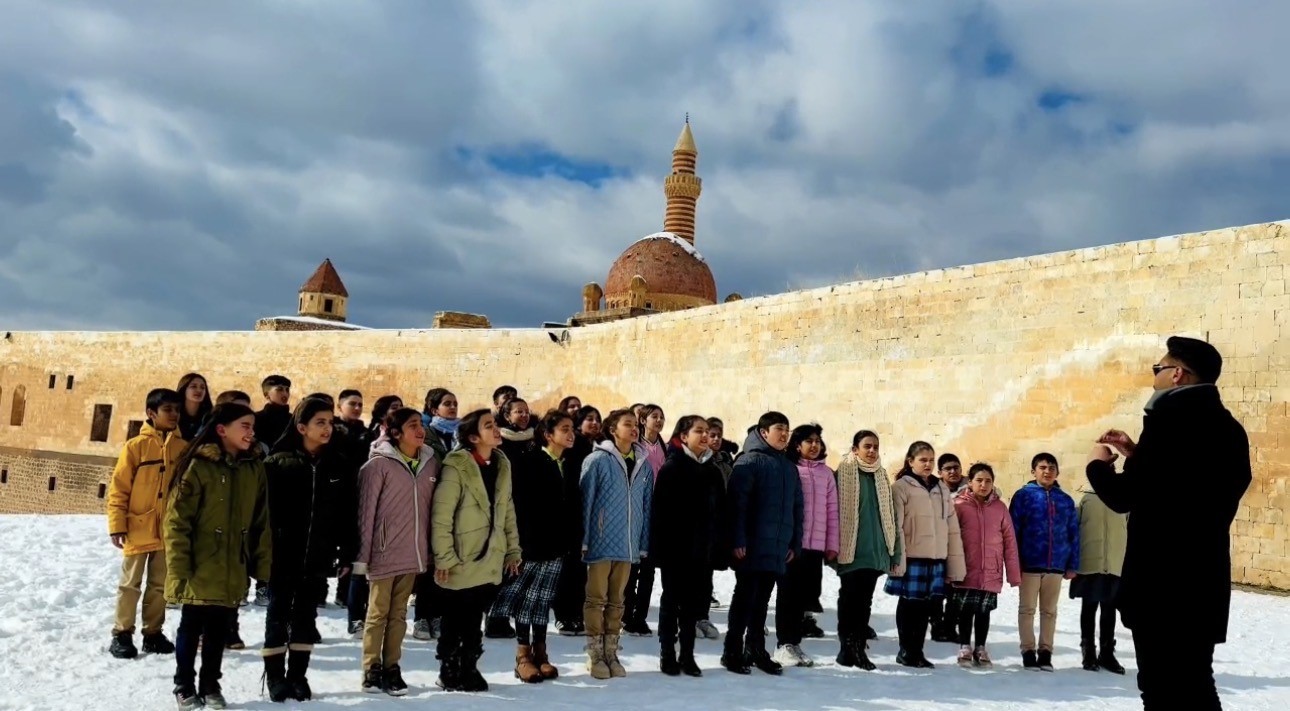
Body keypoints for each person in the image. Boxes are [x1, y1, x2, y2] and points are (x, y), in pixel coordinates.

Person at [1087, 336, 1251, 711]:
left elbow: (1127, 495)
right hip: (1202, 583)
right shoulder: (1229, 429)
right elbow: (1182, 486)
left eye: (1157, 369)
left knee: (1161, 689)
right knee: (1195, 685)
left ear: (1177, 374)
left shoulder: (1169, 422)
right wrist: (1138, 454)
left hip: (1162, 585)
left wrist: (1097, 465)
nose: (1154, 376)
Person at [164, 403, 272, 711]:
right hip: (200, 563)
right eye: (245, 426)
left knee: (218, 629)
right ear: (222, 429)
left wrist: (260, 564)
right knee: (191, 625)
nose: (251, 432)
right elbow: (176, 520)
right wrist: (180, 564)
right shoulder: (198, 465)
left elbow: (260, 521)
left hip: (232, 565)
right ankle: (184, 685)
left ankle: (210, 684)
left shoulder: (253, 468)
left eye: (253, 427)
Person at [261, 398, 352, 702]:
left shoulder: (338, 464)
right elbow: (264, 514)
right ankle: (274, 676)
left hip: (318, 555)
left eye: (329, 422)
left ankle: (298, 675)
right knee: (277, 615)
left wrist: (347, 551)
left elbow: (347, 514)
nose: (327, 428)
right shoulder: (278, 463)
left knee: (306, 617)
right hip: (282, 555)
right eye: (320, 423)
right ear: (302, 427)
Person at [431, 409, 522, 693]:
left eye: (495, 424)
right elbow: (442, 515)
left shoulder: (502, 463)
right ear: (473, 437)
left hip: (490, 554)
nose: (496, 430)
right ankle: (448, 666)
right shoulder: (456, 465)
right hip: (461, 553)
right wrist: (444, 556)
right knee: (455, 614)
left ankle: (469, 664)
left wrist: (512, 550)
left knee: (474, 615)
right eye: (488, 426)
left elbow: (507, 511)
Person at [354, 408, 438, 697]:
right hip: (383, 551)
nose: (420, 429)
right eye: (412, 425)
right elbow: (366, 514)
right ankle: (371, 667)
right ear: (396, 432)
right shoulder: (377, 466)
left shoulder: (429, 463)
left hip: (413, 552)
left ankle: (392, 666)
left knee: (399, 614)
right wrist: (363, 557)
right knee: (377, 613)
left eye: (421, 424)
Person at [489, 409, 573, 683]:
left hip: (557, 545)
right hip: (531, 545)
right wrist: (518, 545)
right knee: (526, 602)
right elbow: (519, 508)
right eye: (564, 429)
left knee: (542, 601)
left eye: (571, 428)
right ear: (548, 435)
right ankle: (522, 656)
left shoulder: (568, 462)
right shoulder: (530, 462)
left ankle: (541, 653)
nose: (571, 434)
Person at [106, 387, 186, 660]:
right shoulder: (135, 447)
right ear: (152, 414)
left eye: (176, 409)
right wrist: (117, 524)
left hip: (168, 530)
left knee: (160, 585)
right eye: (167, 410)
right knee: (130, 584)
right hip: (137, 527)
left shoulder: (183, 448)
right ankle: (122, 633)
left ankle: (153, 633)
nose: (174, 414)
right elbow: (119, 488)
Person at [722, 412, 804, 676]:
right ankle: (731, 650)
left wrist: (795, 542)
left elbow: (797, 508)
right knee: (744, 598)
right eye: (779, 428)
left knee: (762, 601)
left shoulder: (788, 467)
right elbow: (737, 505)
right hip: (750, 545)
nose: (784, 434)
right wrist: (737, 539)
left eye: (787, 430)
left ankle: (755, 649)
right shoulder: (749, 461)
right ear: (763, 432)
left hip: (778, 546)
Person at [580, 408, 654, 680]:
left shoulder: (643, 463)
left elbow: (647, 507)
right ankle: (594, 653)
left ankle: (611, 651)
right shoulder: (597, 460)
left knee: (618, 600)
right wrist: (586, 538)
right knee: (596, 597)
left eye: (636, 425)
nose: (634, 429)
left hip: (629, 543)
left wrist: (642, 542)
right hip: (601, 540)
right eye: (628, 424)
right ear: (613, 429)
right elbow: (586, 500)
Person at [651, 415, 724, 678]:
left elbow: (720, 513)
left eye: (708, 431)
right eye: (699, 431)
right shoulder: (673, 468)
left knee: (694, 605)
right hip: (675, 550)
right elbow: (660, 514)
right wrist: (661, 550)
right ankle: (667, 653)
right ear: (683, 436)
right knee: (672, 602)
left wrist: (716, 548)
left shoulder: (712, 470)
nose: (705, 436)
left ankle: (688, 654)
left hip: (702, 551)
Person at [885, 441, 966, 669]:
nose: (928, 464)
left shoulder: (941, 489)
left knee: (926, 606)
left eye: (931, 460)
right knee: (909, 604)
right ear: (910, 462)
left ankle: (917, 650)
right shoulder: (901, 487)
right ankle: (906, 649)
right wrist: (897, 557)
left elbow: (951, 527)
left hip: (935, 557)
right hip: (912, 556)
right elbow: (896, 525)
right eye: (923, 460)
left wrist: (954, 563)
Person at [832, 430, 899, 671]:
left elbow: (891, 516)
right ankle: (847, 647)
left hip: (875, 551)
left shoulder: (881, 476)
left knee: (865, 602)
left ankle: (858, 646)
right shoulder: (843, 474)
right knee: (849, 599)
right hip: (851, 549)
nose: (871, 451)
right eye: (867, 446)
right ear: (855, 449)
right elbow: (833, 513)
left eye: (875, 447)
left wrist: (895, 552)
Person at [774, 424, 838, 668]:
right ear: (796, 445)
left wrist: (831, 544)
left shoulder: (826, 474)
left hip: (815, 546)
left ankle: (795, 642)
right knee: (788, 594)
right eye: (808, 441)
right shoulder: (790, 469)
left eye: (817, 441)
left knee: (804, 597)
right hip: (792, 545)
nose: (814, 445)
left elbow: (832, 510)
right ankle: (784, 643)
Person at [1009, 453, 1079, 671]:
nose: (1047, 471)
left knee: (1049, 611)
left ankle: (1046, 652)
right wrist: (1014, 562)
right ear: (1033, 471)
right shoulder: (1023, 497)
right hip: (1030, 563)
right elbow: (1013, 531)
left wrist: (1072, 563)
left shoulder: (1065, 500)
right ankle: (1028, 651)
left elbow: (1073, 533)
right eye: (1042, 467)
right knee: (1027, 609)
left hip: (1056, 565)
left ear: (1057, 472)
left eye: (1051, 468)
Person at [950, 463, 1020, 668]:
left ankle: (980, 646)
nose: (983, 484)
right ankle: (964, 644)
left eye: (988, 481)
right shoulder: (959, 505)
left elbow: (1010, 541)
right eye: (979, 480)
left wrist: (1014, 574)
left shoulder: (1000, 508)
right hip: (966, 567)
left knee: (983, 611)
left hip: (991, 570)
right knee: (965, 610)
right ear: (969, 482)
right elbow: (951, 537)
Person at [346, 394, 403, 637]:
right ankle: (356, 617)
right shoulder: (365, 437)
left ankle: (381, 616)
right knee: (361, 564)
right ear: (382, 413)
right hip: (366, 505)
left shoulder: (405, 441)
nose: (398, 411)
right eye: (394, 408)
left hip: (394, 511)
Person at [412, 387, 456, 642]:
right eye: (446, 403)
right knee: (427, 565)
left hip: (452, 507)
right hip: (428, 505)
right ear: (433, 409)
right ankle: (421, 616)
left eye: (454, 403)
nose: (452, 407)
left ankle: (438, 615)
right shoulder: (425, 435)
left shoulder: (461, 435)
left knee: (445, 562)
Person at [1070, 481, 1128, 674]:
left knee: (1109, 609)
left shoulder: (1123, 500)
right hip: (1090, 562)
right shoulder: (1086, 498)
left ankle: (1107, 653)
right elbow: (1075, 529)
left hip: (1114, 563)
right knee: (1089, 607)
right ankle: (1088, 652)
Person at [553, 404, 600, 637]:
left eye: (596, 419)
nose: (593, 422)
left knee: (580, 567)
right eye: (588, 418)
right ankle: (563, 614)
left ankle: (577, 613)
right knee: (566, 566)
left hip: (586, 512)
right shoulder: (574, 447)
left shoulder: (599, 447)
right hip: (568, 510)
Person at [624, 404, 666, 637]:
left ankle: (640, 616)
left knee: (649, 568)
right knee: (632, 567)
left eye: (661, 417)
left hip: (657, 512)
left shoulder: (664, 447)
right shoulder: (635, 446)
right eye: (654, 417)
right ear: (643, 420)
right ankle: (626, 615)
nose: (658, 421)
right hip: (636, 509)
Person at [929, 452, 966, 643]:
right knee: (937, 589)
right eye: (948, 469)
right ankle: (936, 626)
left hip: (961, 549)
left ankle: (951, 626)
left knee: (957, 590)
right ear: (940, 472)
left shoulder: (970, 490)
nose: (953, 472)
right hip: (938, 547)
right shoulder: (933, 490)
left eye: (956, 468)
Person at [254, 375, 293, 454]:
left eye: (287, 390)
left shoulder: (293, 419)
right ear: (266, 395)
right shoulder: (256, 418)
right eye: (279, 389)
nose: (285, 393)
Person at [175, 374, 212, 442]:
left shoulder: (210, 417)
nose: (199, 390)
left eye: (202, 387)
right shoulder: (174, 414)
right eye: (193, 386)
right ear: (184, 389)